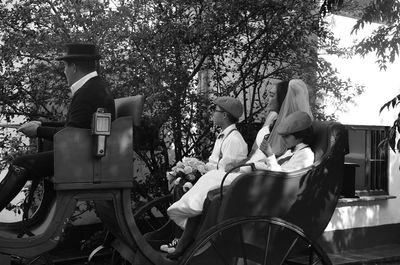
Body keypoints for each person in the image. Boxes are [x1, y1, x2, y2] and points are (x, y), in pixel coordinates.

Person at [164, 79, 313, 258]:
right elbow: (265, 163)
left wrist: (264, 159)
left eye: (287, 136)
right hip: (259, 177)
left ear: (298, 136)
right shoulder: (288, 145)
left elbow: (283, 176)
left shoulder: (303, 154)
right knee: (212, 181)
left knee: (214, 190)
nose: (285, 139)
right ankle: (187, 237)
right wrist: (249, 165)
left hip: (266, 187)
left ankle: (193, 241)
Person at [0, 43, 115, 211]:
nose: (64, 72)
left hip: (82, 158)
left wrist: (38, 131)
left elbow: (73, 134)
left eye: (65, 67)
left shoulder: (87, 92)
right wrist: (42, 124)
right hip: (85, 153)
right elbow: (76, 126)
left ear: (73, 67)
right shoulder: (95, 87)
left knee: (21, 164)